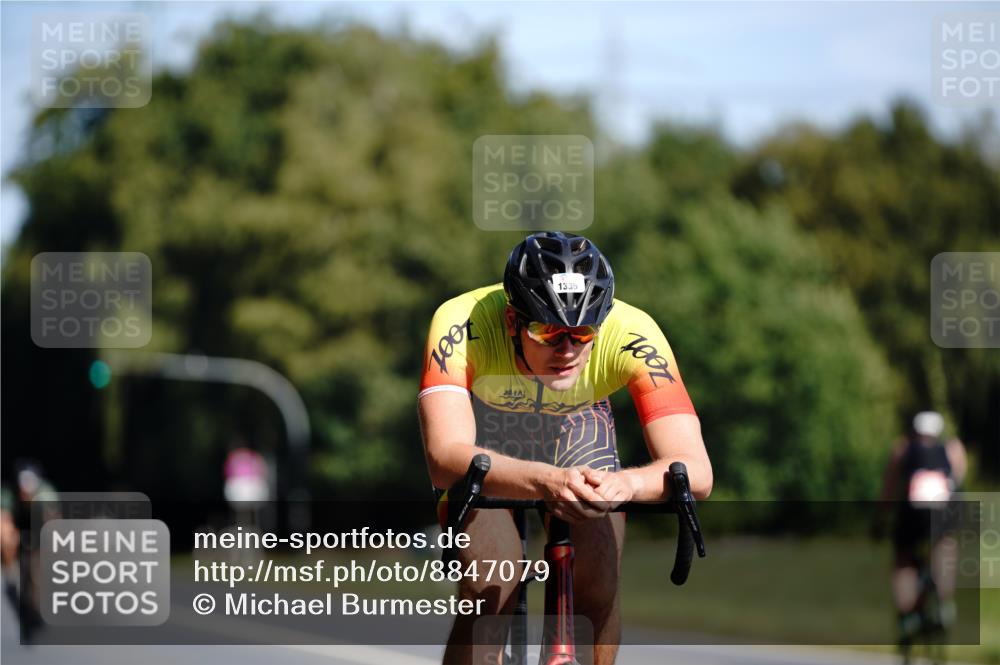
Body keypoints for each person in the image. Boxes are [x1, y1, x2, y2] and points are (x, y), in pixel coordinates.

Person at [418, 232, 712, 665]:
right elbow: (445, 458)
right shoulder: (462, 322)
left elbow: (696, 470)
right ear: (512, 321)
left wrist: (626, 485)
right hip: (488, 433)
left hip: (579, 426)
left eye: (582, 332)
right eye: (547, 331)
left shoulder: (634, 332)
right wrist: (544, 480)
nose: (568, 349)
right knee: (491, 586)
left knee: (597, 588)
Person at [878, 410, 967, 643]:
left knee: (904, 560)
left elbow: (889, 487)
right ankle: (945, 601)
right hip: (942, 518)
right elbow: (958, 482)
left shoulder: (903, 448)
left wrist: (881, 518)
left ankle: (907, 612)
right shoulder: (952, 448)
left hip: (911, 518)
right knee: (945, 547)